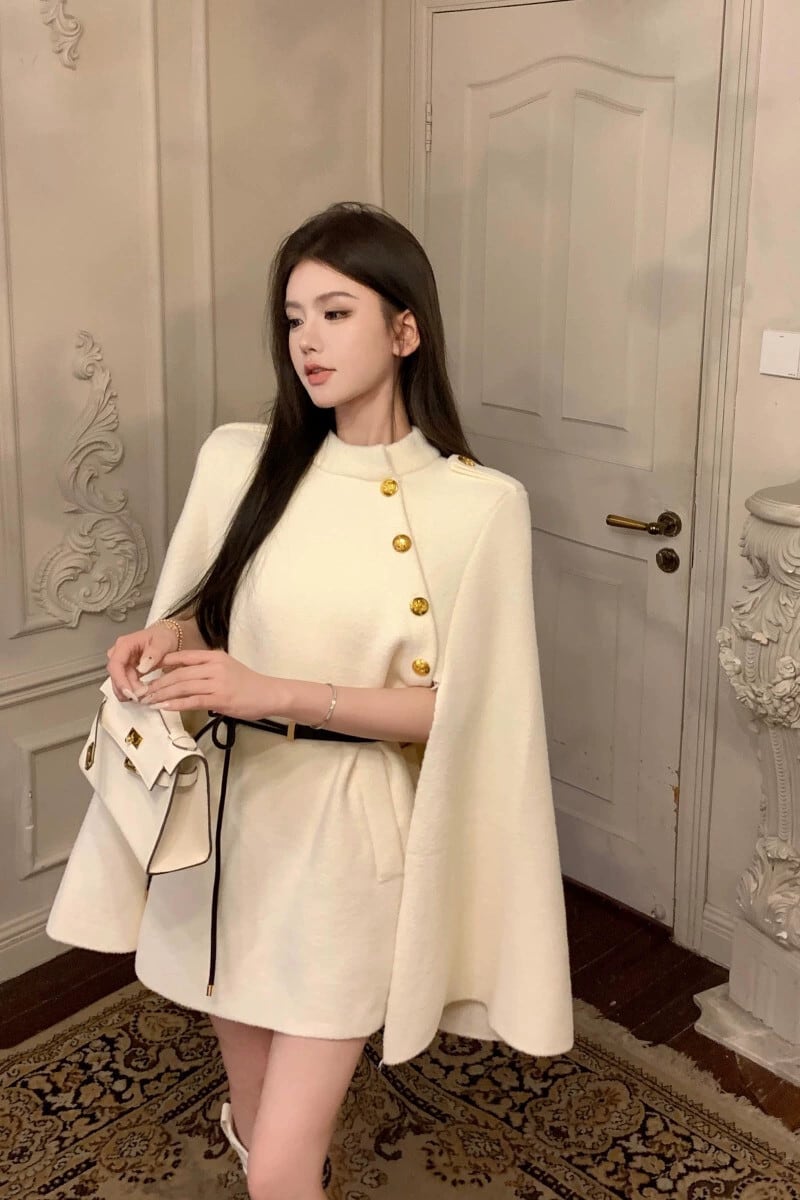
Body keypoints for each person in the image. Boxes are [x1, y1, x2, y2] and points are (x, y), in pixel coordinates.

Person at [47, 201, 573, 1200]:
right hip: (225, 824)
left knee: (280, 1163)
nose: (307, 342)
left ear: (405, 329)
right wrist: (161, 641)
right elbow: (203, 611)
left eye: (336, 313)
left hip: (345, 839)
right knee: (256, 1119)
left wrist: (272, 691)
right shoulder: (239, 458)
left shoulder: (479, 505)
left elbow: (466, 717)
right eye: (294, 318)